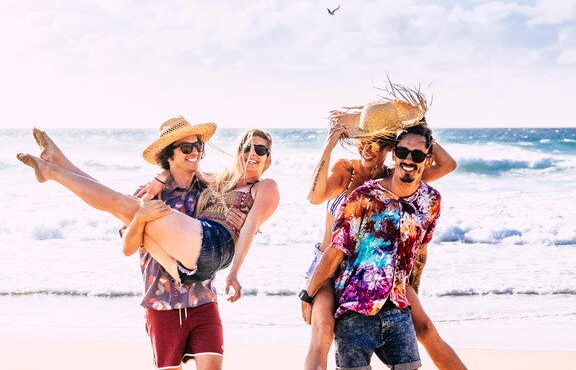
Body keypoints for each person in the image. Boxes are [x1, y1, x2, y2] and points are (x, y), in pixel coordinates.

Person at [17, 120, 280, 370]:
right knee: (124, 207)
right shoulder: (159, 191)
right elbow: (128, 248)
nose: (195, 153)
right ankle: (58, 163)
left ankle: (53, 169)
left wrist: (235, 268)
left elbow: (246, 219)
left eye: (198, 147)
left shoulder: (210, 187)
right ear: (170, 155)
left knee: (120, 205)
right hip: (164, 298)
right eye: (186, 148)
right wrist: (153, 193)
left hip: (202, 292)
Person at [303, 85, 466, 370]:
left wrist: (418, 129)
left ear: (390, 147)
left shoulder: (398, 173)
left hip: (379, 269)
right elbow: (314, 197)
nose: (367, 148)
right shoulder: (347, 171)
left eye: (377, 142)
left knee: (426, 328)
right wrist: (328, 147)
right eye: (362, 141)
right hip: (331, 265)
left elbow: (445, 165)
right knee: (323, 332)